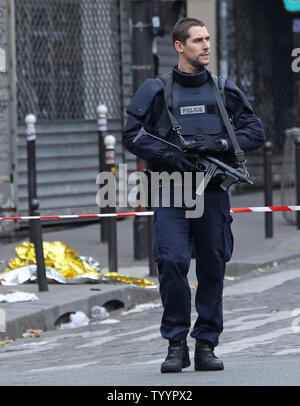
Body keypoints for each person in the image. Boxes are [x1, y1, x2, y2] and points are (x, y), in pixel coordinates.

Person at [122, 18, 265, 373]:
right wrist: (170, 154)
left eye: (208, 39)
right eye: (198, 40)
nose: (206, 46)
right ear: (179, 46)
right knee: (171, 262)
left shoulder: (222, 89)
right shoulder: (155, 90)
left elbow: (254, 130)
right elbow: (131, 135)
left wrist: (217, 144)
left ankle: (205, 344)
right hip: (171, 190)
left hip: (213, 191)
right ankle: (175, 344)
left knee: (213, 266)